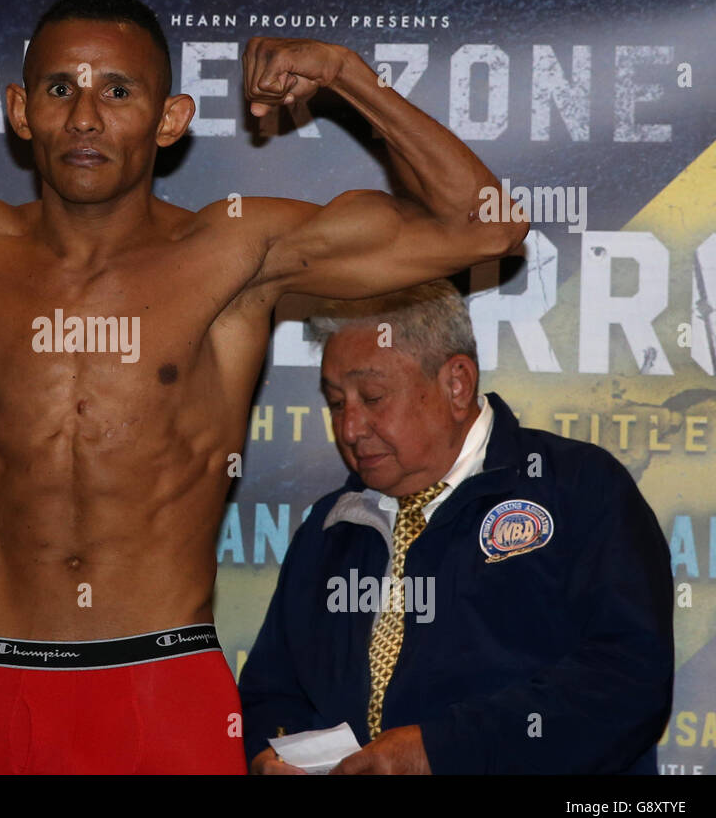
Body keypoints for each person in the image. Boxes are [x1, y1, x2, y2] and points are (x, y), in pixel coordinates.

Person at [0, 0, 528, 774]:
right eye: (58, 89)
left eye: (118, 91)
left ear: (170, 119)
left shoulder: (232, 251)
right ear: (18, 109)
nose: (84, 117)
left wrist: (350, 77)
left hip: (160, 683)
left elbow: (485, 223)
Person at [240, 280, 674, 774]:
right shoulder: (330, 527)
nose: (349, 429)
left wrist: (440, 751)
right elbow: (272, 690)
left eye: (374, 396)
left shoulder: (576, 490)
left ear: (457, 384)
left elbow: (628, 682)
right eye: (338, 403)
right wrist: (269, 753)